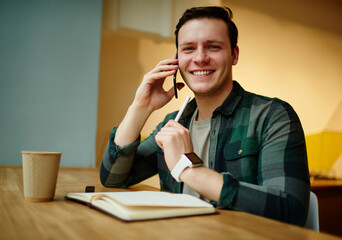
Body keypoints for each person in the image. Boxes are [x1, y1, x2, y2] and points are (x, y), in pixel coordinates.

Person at [100, 6, 310, 226]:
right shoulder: (174, 123)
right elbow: (113, 178)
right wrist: (140, 106)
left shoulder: (273, 116)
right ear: (177, 61)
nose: (200, 58)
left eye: (213, 47)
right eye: (188, 49)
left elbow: (290, 210)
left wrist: (188, 169)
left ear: (234, 54)